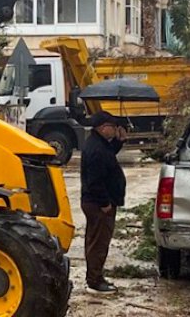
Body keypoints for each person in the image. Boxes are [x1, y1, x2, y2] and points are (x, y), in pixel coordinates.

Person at [80, 110, 127, 294]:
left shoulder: (99, 143)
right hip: (98, 204)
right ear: (103, 127)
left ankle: (95, 276)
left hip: (96, 202)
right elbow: (95, 181)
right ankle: (95, 280)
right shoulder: (96, 149)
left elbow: (109, 154)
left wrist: (119, 142)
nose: (115, 130)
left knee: (96, 240)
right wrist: (105, 202)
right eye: (113, 127)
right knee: (98, 243)